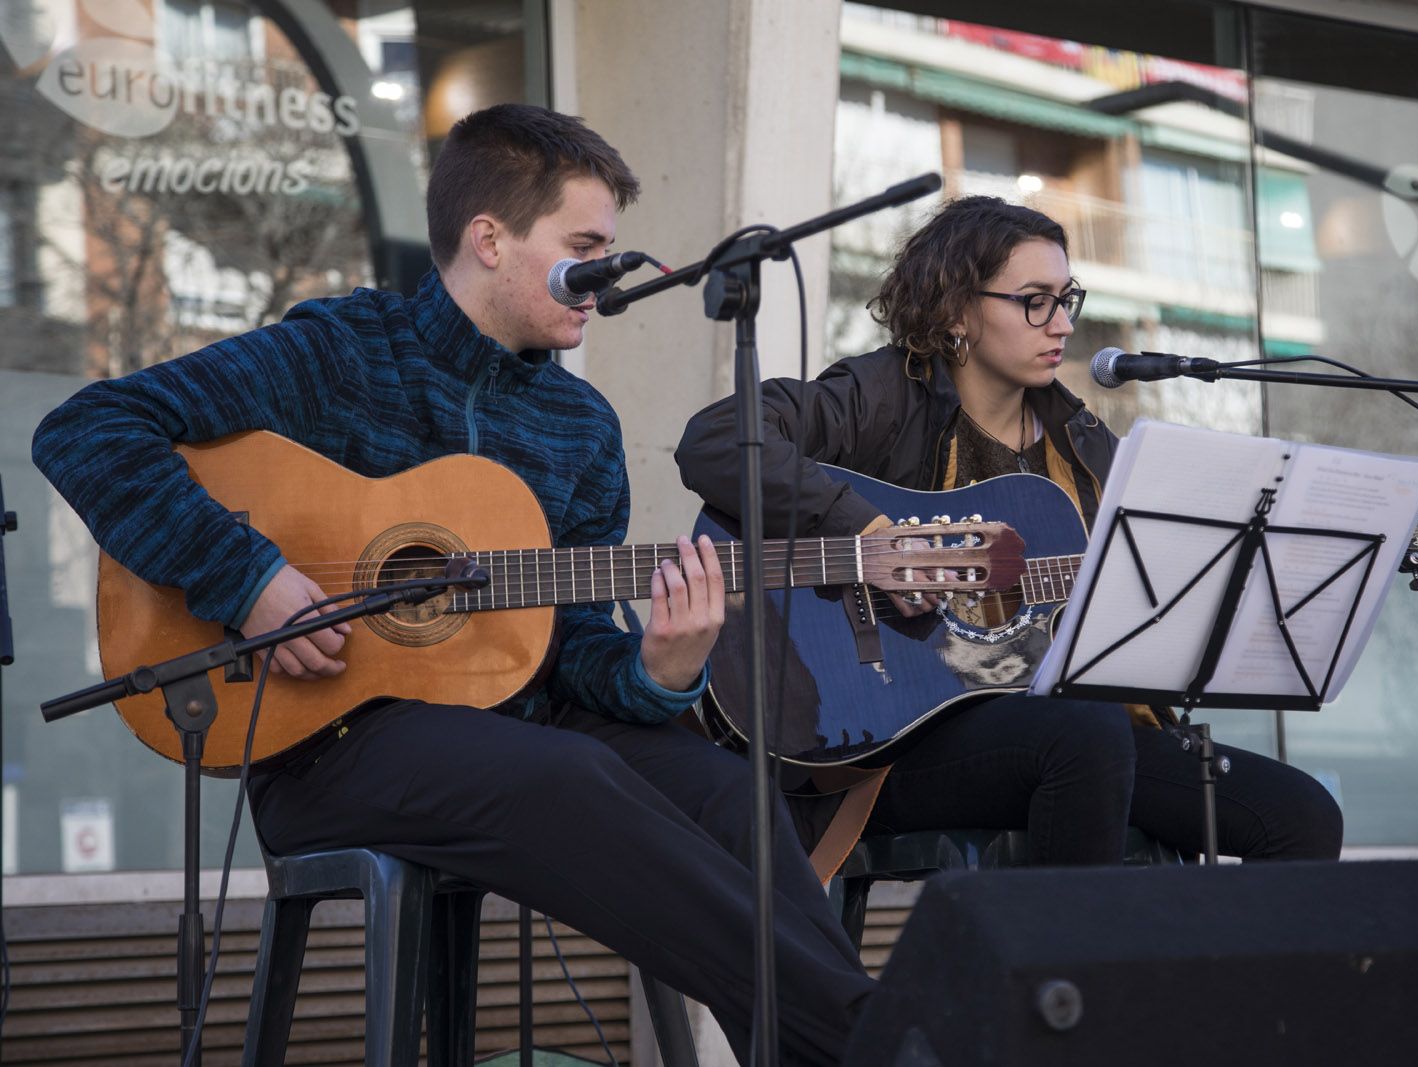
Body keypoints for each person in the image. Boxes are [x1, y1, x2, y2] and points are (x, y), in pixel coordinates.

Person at [33, 105, 873, 1066]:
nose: (606, 275)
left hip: (519, 727)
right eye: (586, 246)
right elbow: (86, 430)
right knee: (571, 774)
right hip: (328, 740)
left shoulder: (581, 426)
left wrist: (658, 672)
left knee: (733, 796)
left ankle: (832, 1046)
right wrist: (248, 575)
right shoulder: (340, 354)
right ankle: (876, 1037)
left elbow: (572, 646)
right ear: (490, 240)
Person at [675, 195, 1344, 874]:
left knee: (1301, 816)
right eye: (1034, 301)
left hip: (1077, 734)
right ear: (958, 310)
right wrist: (871, 535)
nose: (1061, 324)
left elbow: (1137, 593)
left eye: (1066, 299)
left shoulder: (1082, 446)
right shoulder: (881, 396)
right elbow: (717, 440)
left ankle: (1188, 980)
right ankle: (1059, 976)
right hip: (886, 741)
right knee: (1085, 734)